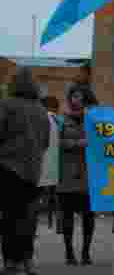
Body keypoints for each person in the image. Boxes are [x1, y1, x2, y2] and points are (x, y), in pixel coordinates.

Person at [0, 68, 51, 275]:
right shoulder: (41, 110)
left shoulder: (7, 105)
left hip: (8, 167)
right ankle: (24, 260)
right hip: (32, 171)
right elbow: (46, 142)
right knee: (25, 217)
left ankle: (11, 262)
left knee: (9, 217)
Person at [58, 82, 98, 265]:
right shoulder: (62, 120)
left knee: (88, 216)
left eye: (79, 97)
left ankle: (86, 252)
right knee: (67, 215)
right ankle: (69, 252)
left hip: (89, 175)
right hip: (67, 174)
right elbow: (55, 143)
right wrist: (76, 144)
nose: (76, 100)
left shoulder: (95, 119)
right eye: (73, 96)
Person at [39, 96, 60, 233]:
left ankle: (36, 224)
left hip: (41, 165)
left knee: (39, 196)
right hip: (58, 165)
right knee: (58, 198)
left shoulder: (40, 120)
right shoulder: (59, 121)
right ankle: (59, 225)